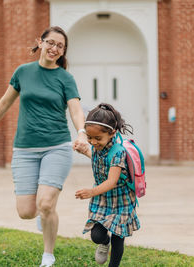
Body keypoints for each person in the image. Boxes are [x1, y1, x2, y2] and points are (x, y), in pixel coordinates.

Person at [0, 26, 86, 267]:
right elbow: (5, 102)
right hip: (24, 150)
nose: (54, 48)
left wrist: (82, 133)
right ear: (41, 42)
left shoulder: (65, 78)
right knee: (26, 211)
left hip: (56, 146)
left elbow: (75, 109)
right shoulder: (23, 72)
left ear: (63, 51)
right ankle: (42, 215)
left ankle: (48, 256)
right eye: (51, 43)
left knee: (46, 204)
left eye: (60, 46)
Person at [74, 103, 140, 267]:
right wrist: (85, 151)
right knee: (96, 235)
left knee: (119, 237)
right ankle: (105, 242)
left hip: (120, 200)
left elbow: (111, 181)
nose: (93, 142)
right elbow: (102, 161)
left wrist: (91, 192)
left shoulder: (118, 152)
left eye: (97, 138)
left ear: (112, 133)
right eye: (89, 137)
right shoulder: (98, 147)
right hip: (103, 199)